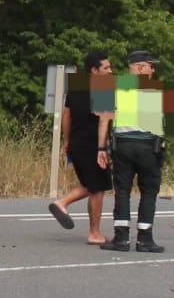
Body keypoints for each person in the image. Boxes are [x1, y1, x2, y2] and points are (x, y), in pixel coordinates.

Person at [97, 49, 166, 253]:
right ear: (141, 67)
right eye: (150, 66)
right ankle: (145, 239)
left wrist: (101, 148)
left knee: (123, 190)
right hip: (149, 147)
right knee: (149, 192)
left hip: (123, 146)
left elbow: (104, 120)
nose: (153, 70)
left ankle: (121, 238)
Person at [47, 50, 113, 244]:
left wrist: (68, 142)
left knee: (90, 185)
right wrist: (102, 148)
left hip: (76, 144)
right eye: (106, 67)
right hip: (93, 145)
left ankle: (66, 206)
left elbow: (66, 115)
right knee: (97, 188)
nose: (110, 71)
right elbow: (103, 121)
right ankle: (92, 231)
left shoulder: (75, 89)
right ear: (94, 70)